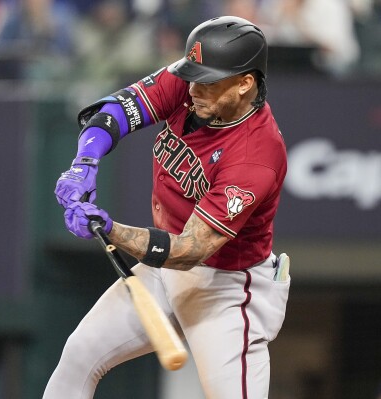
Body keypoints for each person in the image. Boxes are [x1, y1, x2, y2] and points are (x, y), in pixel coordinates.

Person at [46, 16, 290, 399]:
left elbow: (190, 250)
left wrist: (111, 231)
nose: (193, 88)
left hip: (226, 289)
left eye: (207, 81)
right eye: (192, 75)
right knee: (80, 355)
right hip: (164, 270)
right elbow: (113, 113)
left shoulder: (256, 155)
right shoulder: (194, 84)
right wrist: (84, 164)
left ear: (245, 83)